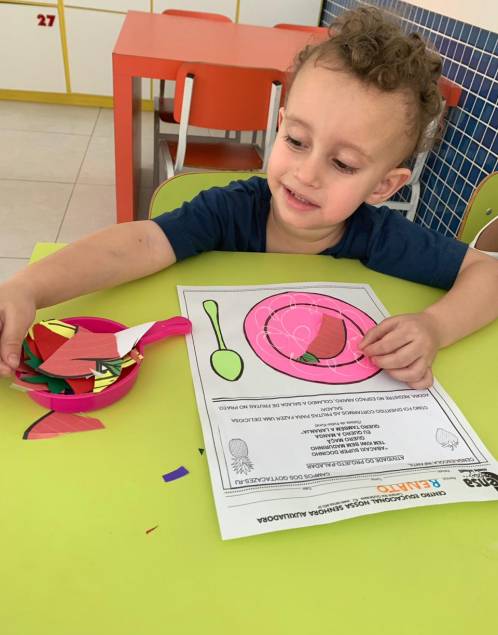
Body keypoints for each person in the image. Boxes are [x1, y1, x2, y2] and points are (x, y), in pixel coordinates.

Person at [0, 7, 497, 389]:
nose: (306, 173)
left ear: (384, 186)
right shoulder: (230, 212)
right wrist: (28, 288)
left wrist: (434, 327)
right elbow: (139, 244)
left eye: (343, 164)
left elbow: (489, 274)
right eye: (296, 141)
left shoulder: (381, 236)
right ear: (279, 127)